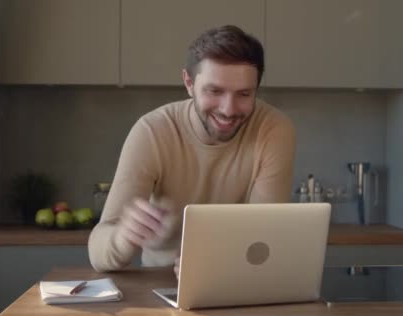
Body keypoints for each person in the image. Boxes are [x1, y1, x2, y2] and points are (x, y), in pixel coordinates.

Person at [88, 25, 296, 275]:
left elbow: (266, 237)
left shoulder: (274, 129)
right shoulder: (153, 131)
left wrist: (218, 260)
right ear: (189, 83)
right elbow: (98, 251)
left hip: (238, 280)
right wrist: (122, 238)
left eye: (244, 94)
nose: (229, 109)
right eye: (214, 91)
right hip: (160, 281)